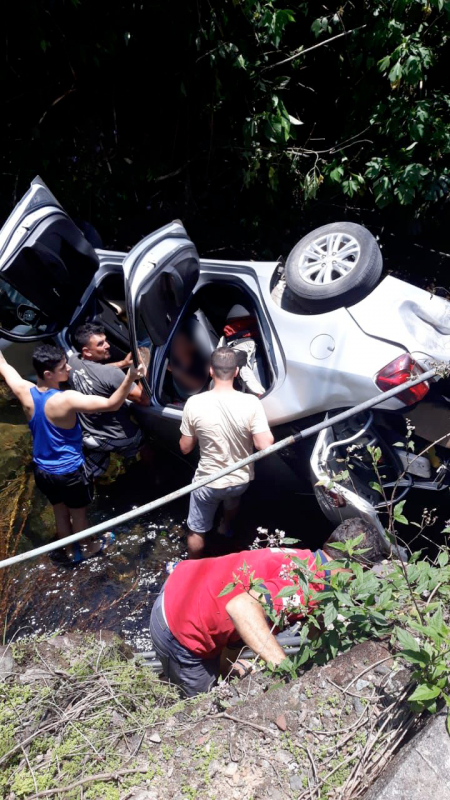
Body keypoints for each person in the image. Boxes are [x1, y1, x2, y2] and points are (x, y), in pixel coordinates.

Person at [149, 518, 387, 697]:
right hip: (179, 626)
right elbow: (241, 609)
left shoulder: (307, 560)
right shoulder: (307, 586)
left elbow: (237, 630)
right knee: (201, 701)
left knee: (229, 665)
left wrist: (228, 668)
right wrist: (285, 671)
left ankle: (202, 672)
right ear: (359, 568)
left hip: (186, 586)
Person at [0, 345, 144, 563]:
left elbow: (4, 366)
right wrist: (130, 376)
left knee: (60, 511)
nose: (68, 367)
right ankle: (88, 546)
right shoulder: (65, 399)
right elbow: (112, 404)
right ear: (49, 374)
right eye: (62, 367)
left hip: (43, 471)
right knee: (78, 514)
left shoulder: (23, 390)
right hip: (69, 472)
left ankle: (69, 551)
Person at [179, 347, 274, 558]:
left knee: (197, 530)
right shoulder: (251, 402)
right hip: (240, 480)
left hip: (208, 482)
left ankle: (193, 566)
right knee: (232, 500)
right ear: (237, 372)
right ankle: (225, 528)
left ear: (210, 371)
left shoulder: (194, 403)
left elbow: (185, 448)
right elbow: (265, 445)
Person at [68, 323, 149, 477]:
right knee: (144, 444)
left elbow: (96, 371)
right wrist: (146, 367)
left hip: (91, 436)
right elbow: (143, 399)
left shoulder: (73, 361)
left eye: (105, 340)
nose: (107, 345)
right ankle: (153, 478)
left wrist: (122, 364)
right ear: (87, 351)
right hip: (120, 437)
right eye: (100, 344)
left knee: (93, 476)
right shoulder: (112, 374)